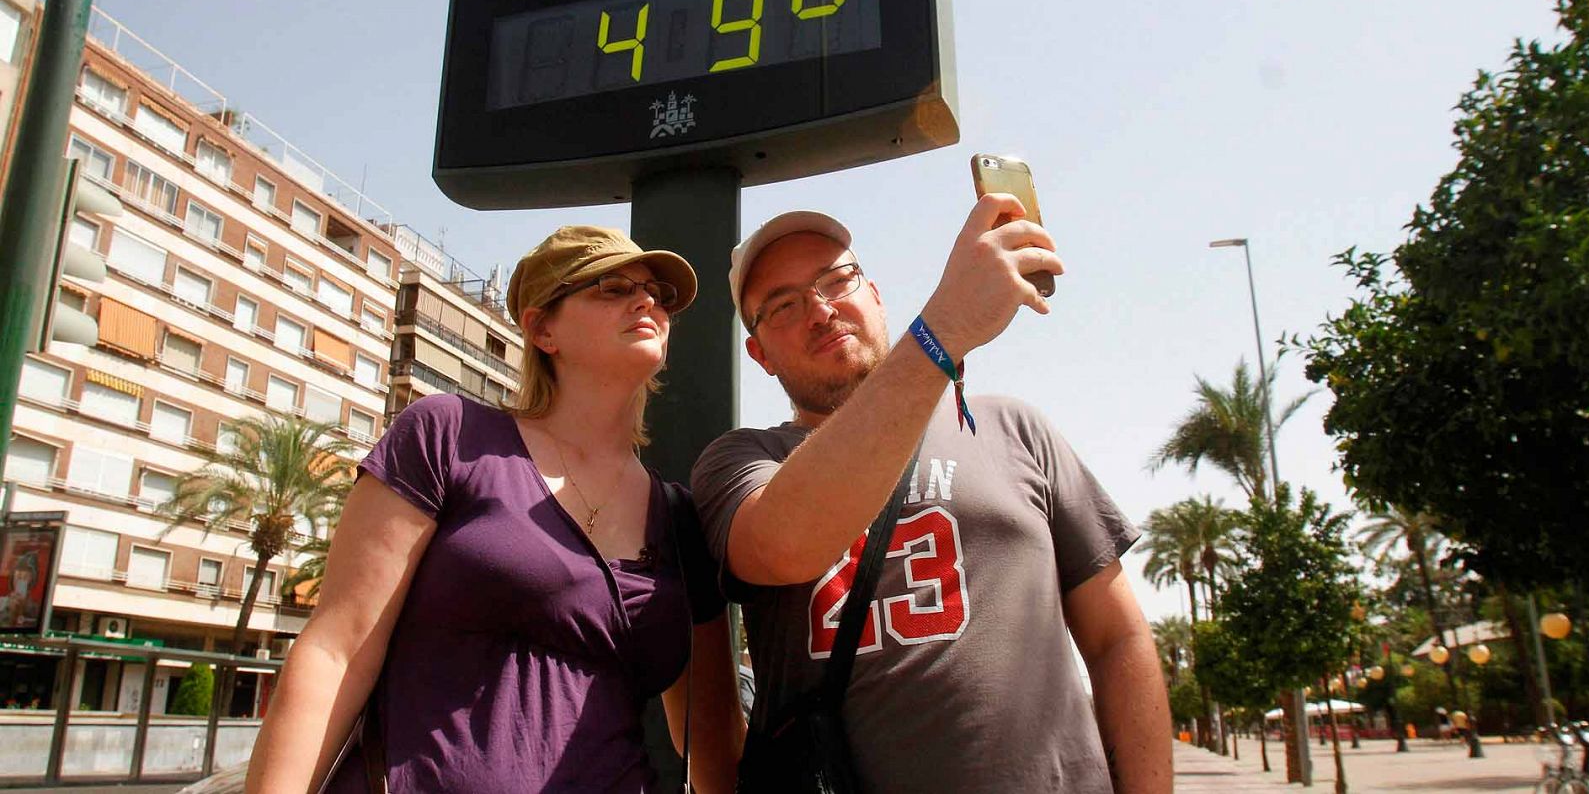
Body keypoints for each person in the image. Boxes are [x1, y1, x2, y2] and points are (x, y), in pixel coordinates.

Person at [691, 197, 1173, 793]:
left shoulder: (1016, 429)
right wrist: (943, 329)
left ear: (875, 295)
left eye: (837, 280)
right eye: (783, 305)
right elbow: (782, 545)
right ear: (758, 355)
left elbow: (1116, 637)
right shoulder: (739, 463)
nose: (819, 310)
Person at [247, 226, 743, 794]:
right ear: (542, 328)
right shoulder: (448, 436)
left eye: (659, 292)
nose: (647, 300)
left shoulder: (680, 518)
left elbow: (712, 739)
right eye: (611, 287)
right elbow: (336, 652)